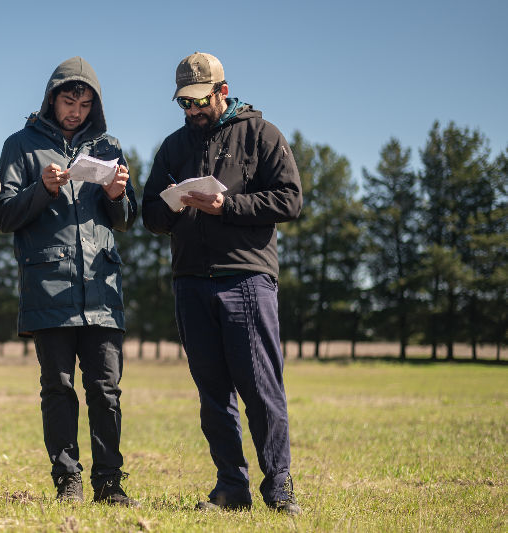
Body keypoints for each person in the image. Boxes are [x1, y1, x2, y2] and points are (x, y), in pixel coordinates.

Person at [141, 52, 302, 515]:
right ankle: (231, 488)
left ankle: (279, 487)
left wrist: (226, 207)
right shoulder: (173, 147)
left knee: (260, 388)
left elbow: (290, 199)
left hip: (247, 279)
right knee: (213, 394)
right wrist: (172, 205)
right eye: (183, 104)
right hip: (190, 282)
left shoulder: (261, 134)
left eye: (198, 102)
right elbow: (152, 215)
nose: (191, 112)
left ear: (222, 92)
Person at [0, 57, 139, 506]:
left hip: (102, 288)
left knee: (106, 389)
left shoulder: (109, 146)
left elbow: (127, 217)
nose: (75, 110)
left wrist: (118, 197)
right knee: (57, 387)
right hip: (48, 287)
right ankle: (68, 482)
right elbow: (2, 214)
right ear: (51, 98)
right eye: (68, 100)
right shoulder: (20, 145)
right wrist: (44, 189)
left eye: (85, 103)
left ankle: (110, 485)